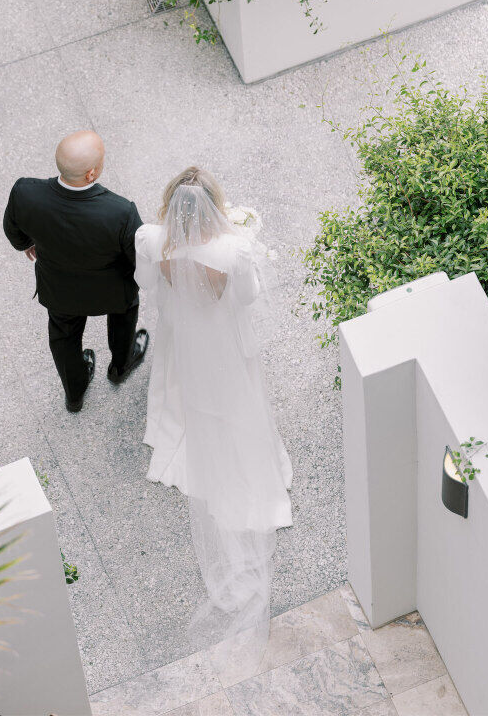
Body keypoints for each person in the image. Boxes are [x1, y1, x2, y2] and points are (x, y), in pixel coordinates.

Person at [134, 166, 292, 658]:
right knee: (236, 392)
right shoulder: (233, 250)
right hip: (223, 339)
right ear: (215, 207)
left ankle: (179, 432)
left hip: (182, 332)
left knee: (181, 385)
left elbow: (148, 287)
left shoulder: (150, 238)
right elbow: (248, 296)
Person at [3, 130, 149, 412]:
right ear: (91, 174)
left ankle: (75, 391)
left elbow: (13, 229)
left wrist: (26, 243)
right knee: (125, 314)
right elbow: (139, 259)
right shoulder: (121, 212)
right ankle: (121, 364)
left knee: (63, 335)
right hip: (112, 290)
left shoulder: (25, 192)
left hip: (60, 290)